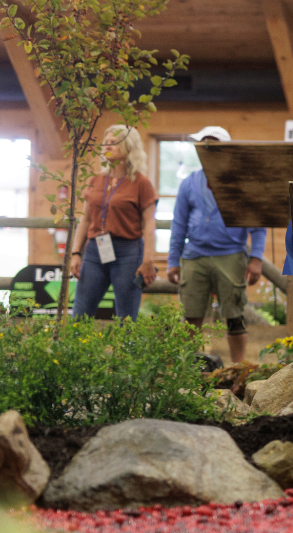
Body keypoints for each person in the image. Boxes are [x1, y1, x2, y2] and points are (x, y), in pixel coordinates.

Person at [166, 126, 266, 364]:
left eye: (213, 144)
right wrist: (172, 260)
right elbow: (178, 224)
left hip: (231, 255)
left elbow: (257, 223)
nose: (208, 149)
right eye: (204, 145)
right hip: (194, 255)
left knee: (235, 316)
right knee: (191, 316)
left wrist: (256, 258)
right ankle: (186, 368)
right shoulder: (189, 183)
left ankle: (238, 368)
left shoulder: (240, 182)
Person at [69, 125, 158, 320]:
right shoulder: (95, 180)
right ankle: (75, 342)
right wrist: (75, 253)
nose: (107, 146)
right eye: (106, 142)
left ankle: (126, 343)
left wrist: (148, 260)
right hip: (95, 249)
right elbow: (85, 219)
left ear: (129, 147)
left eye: (114, 142)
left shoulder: (141, 183)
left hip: (128, 251)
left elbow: (150, 224)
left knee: (127, 316)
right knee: (80, 313)